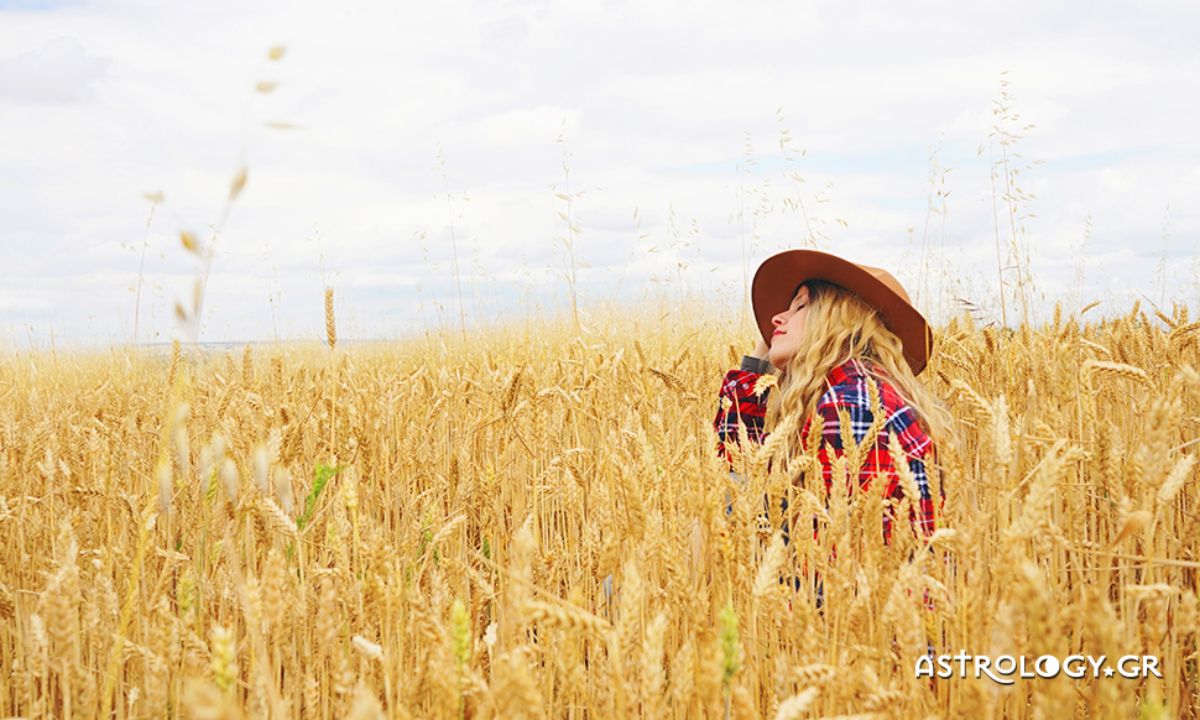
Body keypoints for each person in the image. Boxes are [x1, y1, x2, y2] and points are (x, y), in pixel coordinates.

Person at [713, 248, 954, 549]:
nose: (776, 318)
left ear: (838, 321)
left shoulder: (853, 405)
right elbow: (738, 461)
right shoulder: (851, 390)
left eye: (799, 307)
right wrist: (759, 363)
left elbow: (828, 565)